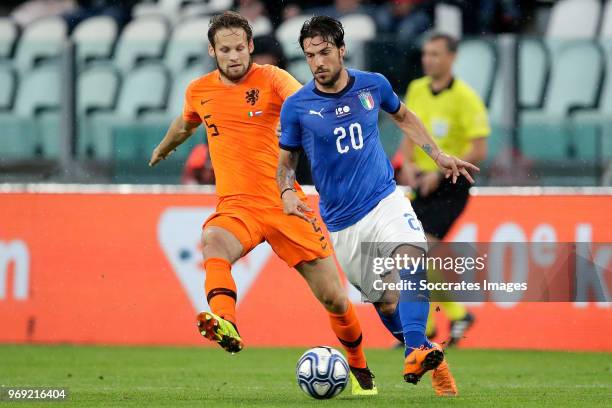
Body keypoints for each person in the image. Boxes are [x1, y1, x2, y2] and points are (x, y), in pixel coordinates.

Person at [148, 11, 377, 395]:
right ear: (212, 51)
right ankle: (226, 323)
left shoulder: (271, 79)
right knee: (213, 243)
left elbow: (309, 101)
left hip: (285, 203)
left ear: (251, 46)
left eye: (240, 48)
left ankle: (362, 374)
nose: (234, 55)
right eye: (225, 49)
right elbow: (186, 124)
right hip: (237, 206)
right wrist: (163, 148)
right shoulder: (199, 90)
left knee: (335, 299)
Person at [277, 16, 478, 396]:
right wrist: (287, 191)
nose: (318, 62)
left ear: (341, 49)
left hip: (384, 199)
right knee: (386, 303)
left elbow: (403, 116)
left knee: (411, 255)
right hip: (341, 222)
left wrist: (436, 154)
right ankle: (430, 357)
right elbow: (285, 164)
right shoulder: (297, 106)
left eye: (324, 53)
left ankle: (417, 347)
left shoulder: (373, 85)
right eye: (309, 56)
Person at [398, 32, 489, 347]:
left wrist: (440, 169)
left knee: (425, 246)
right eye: (425, 54)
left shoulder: (466, 97)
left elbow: (478, 149)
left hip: (452, 183)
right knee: (411, 253)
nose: (428, 60)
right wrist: (407, 164)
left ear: (452, 58)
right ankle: (434, 324)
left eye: (435, 54)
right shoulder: (417, 89)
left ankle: (453, 313)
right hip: (421, 182)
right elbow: (408, 130)